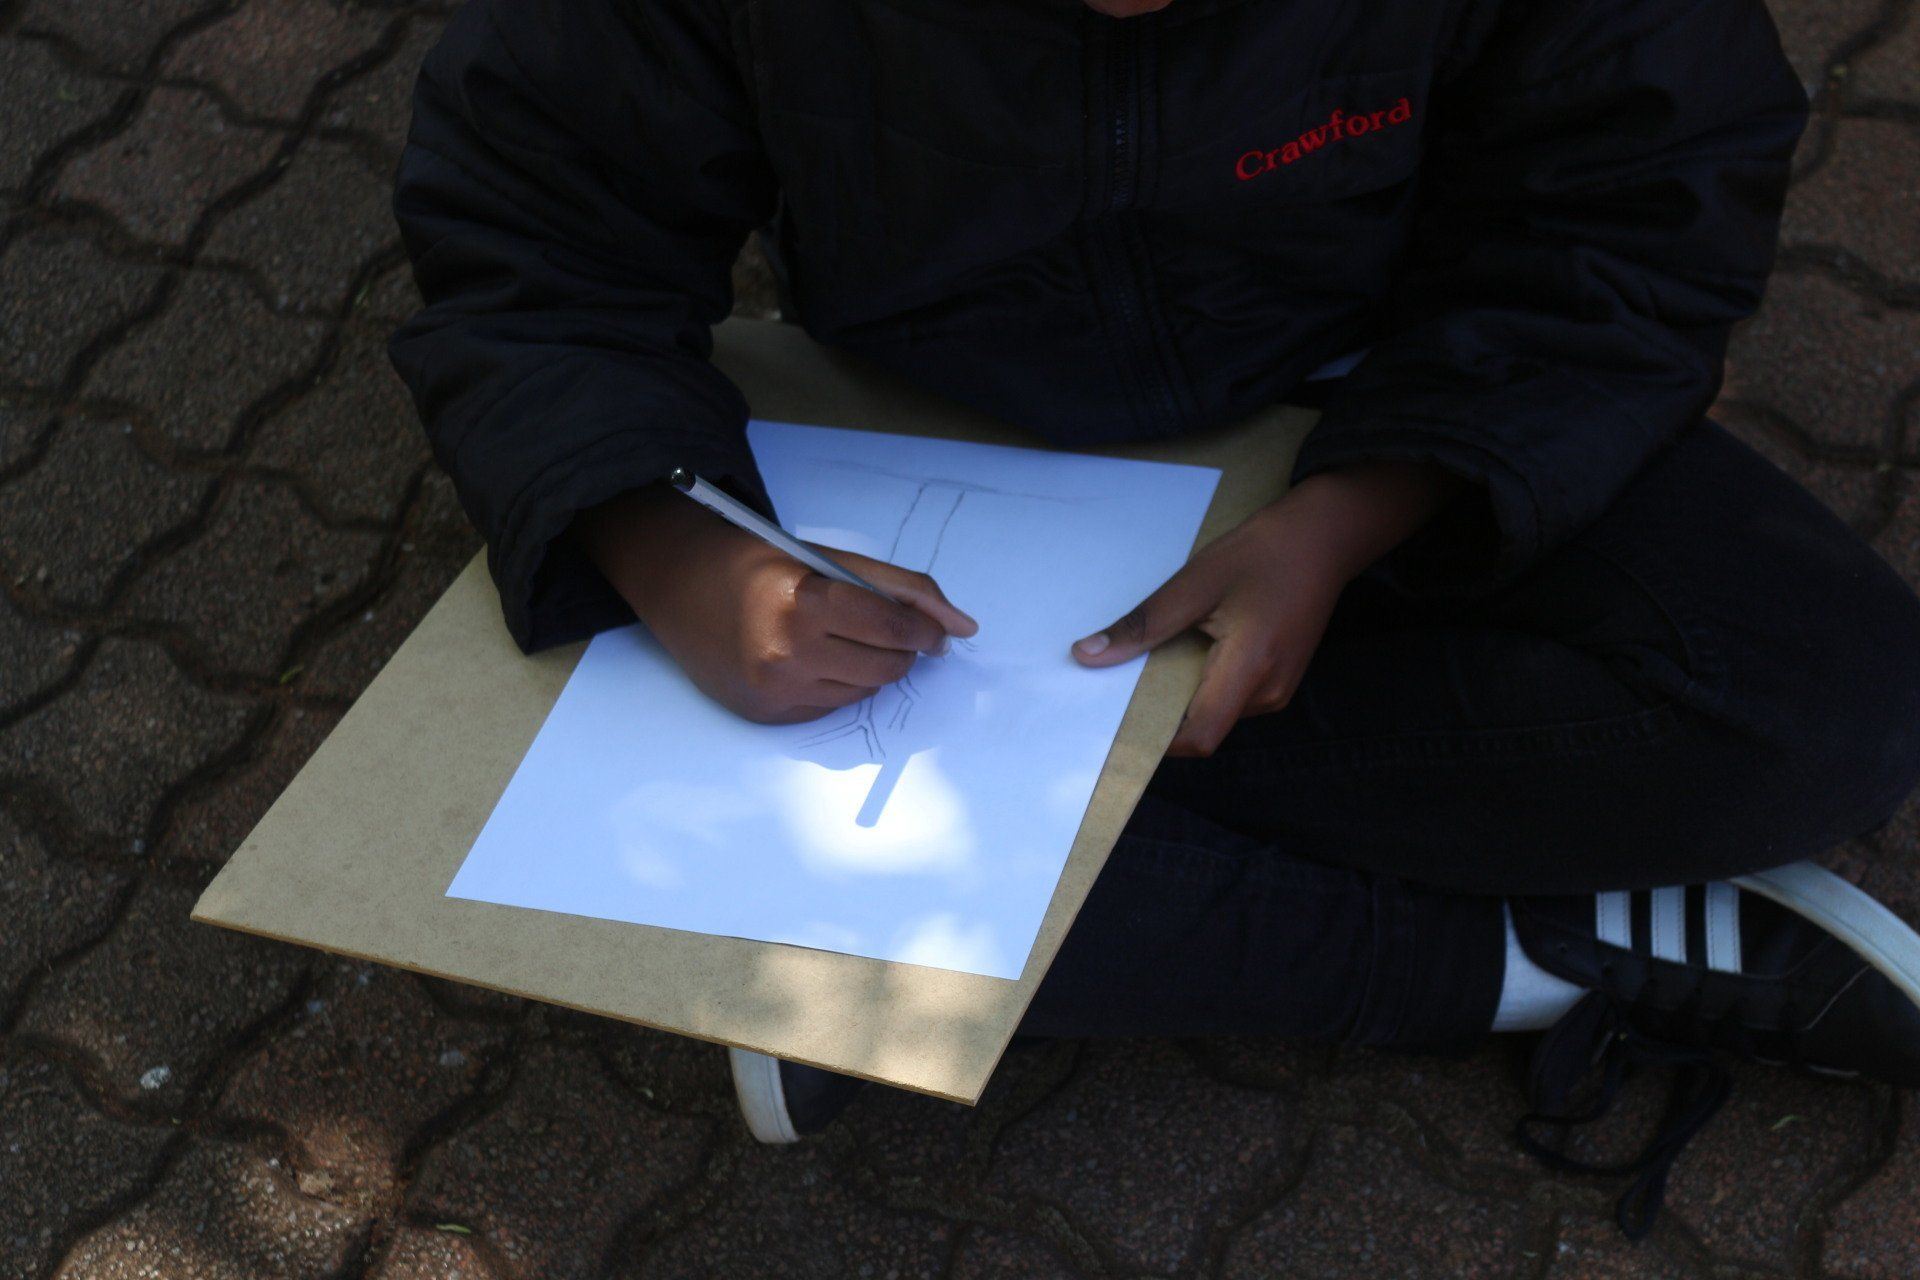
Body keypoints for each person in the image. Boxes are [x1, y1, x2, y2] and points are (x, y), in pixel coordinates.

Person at [387, 0, 1920, 1237]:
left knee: (1823, 702)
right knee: (577, 821)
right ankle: (1531, 957)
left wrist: (1368, 502)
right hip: (934, 424)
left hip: (1400, 390)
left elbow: (1633, 217)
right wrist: (672, 540)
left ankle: (933, 913)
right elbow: (532, 244)